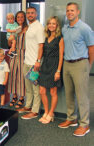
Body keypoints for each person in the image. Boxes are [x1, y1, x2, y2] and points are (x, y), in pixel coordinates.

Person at [58, 2, 94, 137]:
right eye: (68, 11)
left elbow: (92, 48)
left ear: (78, 12)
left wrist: (88, 65)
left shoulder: (85, 28)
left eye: (72, 10)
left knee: (82, 96)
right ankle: (71, 118)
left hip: (80, 64)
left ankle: (84, 124)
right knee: (69, 93)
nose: (69, 13)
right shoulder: (65, 28)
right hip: (67, 64)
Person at [16, 7, 45, 120]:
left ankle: (35, 111)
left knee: (35, 88)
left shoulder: (38, 27)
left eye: (32, 13)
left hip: (34, 64)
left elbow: (41, 46)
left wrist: (38, 61)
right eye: (28, 13)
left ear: (36, 14)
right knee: (28, 87)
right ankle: (28, 106)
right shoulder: (29, 27)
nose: (30, 15)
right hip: (26, 61)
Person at [38, 16, 64, 124]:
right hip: (45, 66)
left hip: (54, 66)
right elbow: (42, 51)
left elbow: (61, 56)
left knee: (53, 92)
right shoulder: (45, 38)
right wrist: (38, 61)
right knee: (42, 91)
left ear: (57, 26)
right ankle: (46, 111)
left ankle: (51, 113)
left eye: (54, 23)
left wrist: (58, 71)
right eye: (49, 23)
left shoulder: (60, 38)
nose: (51, 25)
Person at [8, 11, 27, 109]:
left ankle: (22, 97)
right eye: (18, 17)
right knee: (13, 74)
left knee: (21, 76)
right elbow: (9, 43)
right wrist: (10, 40)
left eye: (22, 17)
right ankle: (14, 96)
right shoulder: (13, 28)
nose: (20, 18)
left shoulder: (27, 29)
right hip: (14, 53)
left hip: (24, 53)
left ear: (24, 18)